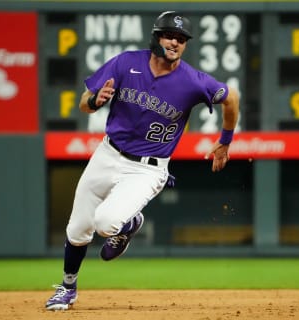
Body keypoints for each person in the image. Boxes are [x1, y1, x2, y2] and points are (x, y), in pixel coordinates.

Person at [45, 11, 240, 311]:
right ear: (155, 37)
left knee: (106, 222)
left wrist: (225, 141)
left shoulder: (192, 80)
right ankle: (68, 288)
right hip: (108, 154)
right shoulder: (126, 63)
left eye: (181, 39)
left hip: (146, 169)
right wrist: (96, 101)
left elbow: (232, 98)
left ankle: (130, 222)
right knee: (77, 228)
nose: (175, 42)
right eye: (169, 35)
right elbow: (85, 100)